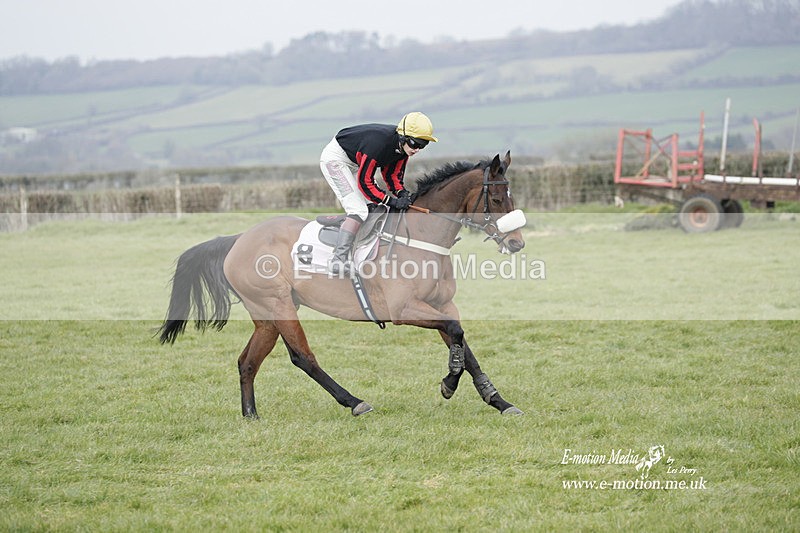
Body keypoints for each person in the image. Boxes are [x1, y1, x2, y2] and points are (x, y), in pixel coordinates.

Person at [320, 111, 438, 274]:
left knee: (377, 208)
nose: (417, 149)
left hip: (356, 162)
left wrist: (402, 193)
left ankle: (362, 246)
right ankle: (338, 260)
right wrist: (391, 201)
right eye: (414, 143)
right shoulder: (378, 145)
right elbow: (365, 182)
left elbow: (392, 175)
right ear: (403, 137)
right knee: (359, 210)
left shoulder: (402, 149)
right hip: (336, 160)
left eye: (423, 145)